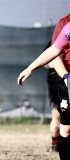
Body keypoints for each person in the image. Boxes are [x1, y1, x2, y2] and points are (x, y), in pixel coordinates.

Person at [17, 22, 70, 159]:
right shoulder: (68, 27)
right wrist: (30, 68)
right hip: (67, 83)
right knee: (66, 129)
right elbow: (54, 50)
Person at [45, 14, 70, 152]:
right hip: (58, 82)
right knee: (57, 116)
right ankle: (56, 144)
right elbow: (50, 57)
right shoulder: (64, 31)